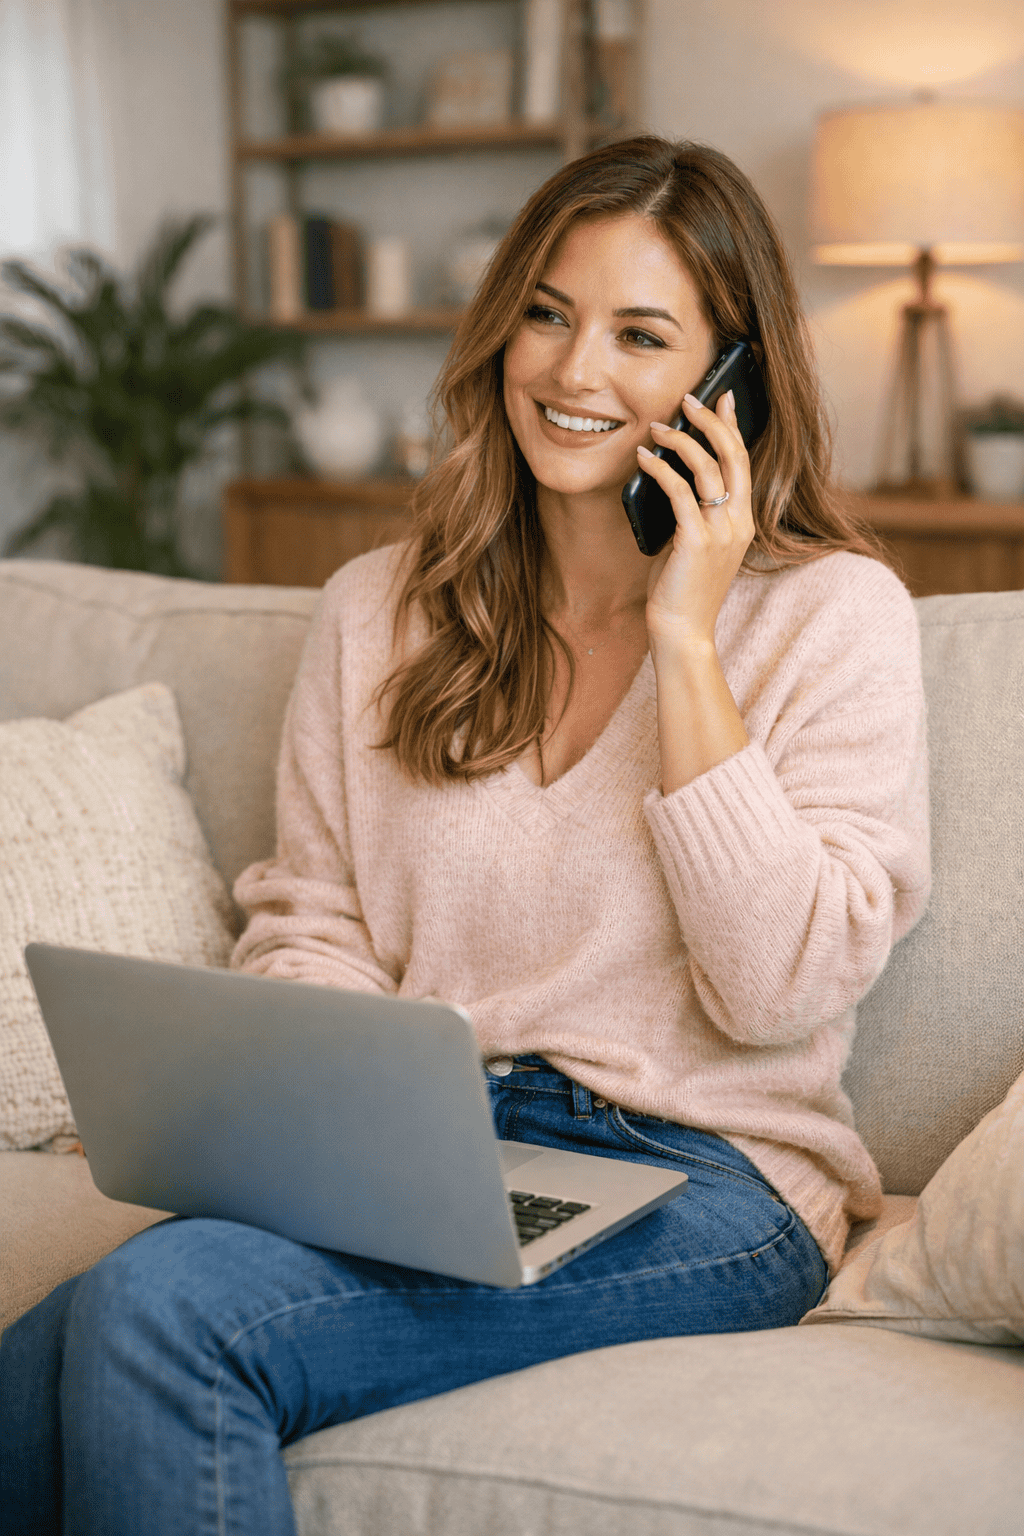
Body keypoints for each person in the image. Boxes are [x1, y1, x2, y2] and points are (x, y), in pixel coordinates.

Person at [0, 136, 930, 1536]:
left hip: (708, 1182)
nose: (572, 371)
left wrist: (688, 638)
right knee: (37, 1363)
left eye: (642, 334)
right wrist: (325, 1110)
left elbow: (778, 988)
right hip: (429, 1143)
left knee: (165, 1309)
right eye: (548, 313)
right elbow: (312, 921)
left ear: (727, 383)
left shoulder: (831, 618)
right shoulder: (380, 609)